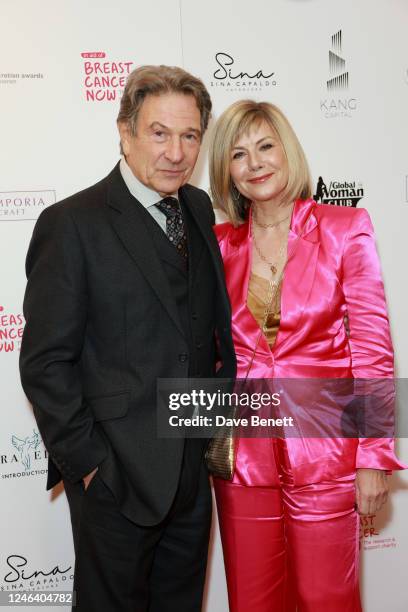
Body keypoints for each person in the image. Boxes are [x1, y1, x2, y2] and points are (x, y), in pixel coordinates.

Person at [19, 65, 236, 612]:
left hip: (190, 478)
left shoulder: (198, 208)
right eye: (159, 133)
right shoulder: (72, 223)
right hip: (115, 479)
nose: (176, 152)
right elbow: (45, 364)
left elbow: (205, 331)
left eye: (190, 136)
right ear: (125, 130)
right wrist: (91, 467)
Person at [208, 99, 405, 612]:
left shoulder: (344, 228)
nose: (255, 163)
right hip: (243, 462)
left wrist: (372, 456)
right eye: (238, 154)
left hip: (327, 457)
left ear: (288, 150)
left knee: (327, 600)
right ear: (225, 170)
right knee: (251, 602)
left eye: (266, 146)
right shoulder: (219, 245)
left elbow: (373, 351)